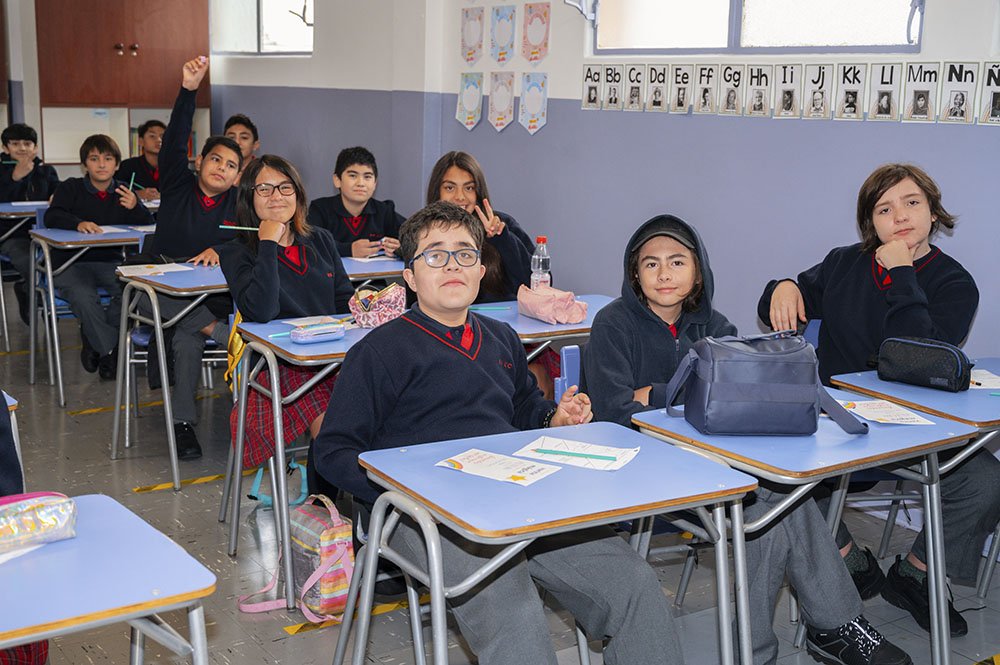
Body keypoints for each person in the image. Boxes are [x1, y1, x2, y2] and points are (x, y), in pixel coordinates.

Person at [313, 200, 682, 665]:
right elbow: (334, 451)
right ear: (409, 277)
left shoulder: (501, 337)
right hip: (423, 515)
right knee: (512, 608)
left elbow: (525, 407)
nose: (452, 265)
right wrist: (402, 486)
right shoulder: (379, 352)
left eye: (465, 253)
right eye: (435, 255)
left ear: (481, 268)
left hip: (515, 495)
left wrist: (555, 418)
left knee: (632, 583)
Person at [584, 215, 913, 665]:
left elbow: (741, 401)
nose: (664, 274)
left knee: (777, 498)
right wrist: (687, 393)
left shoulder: (716, 325)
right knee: (770, 505)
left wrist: (656, 394)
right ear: (634, 274)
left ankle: (784, 640)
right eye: (650, 264)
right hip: (644, 471)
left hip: (712, 461)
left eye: (677, 262)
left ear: (698, 271)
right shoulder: (612, 324)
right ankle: (828, 628)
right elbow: (613, 411)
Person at [759, 163, 998, 638]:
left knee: (985, 482)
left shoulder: (955, 283)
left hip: (918, 424)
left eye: (912, 203)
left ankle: (915, 574)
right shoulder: (845, 262)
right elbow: (788, 298)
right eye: (884, 209)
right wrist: (782, 286)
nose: (900, 217)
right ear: (872, 222)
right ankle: (850, 560)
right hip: (836, 420)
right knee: (782, 481)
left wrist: (904, 273)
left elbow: (918, 357)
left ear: (933, 212)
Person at [218, 154, 353, 489]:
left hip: (330, 357)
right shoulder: (236, 252)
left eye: (285, 187)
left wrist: (363, 305)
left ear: (298, 195)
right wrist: (267, 243)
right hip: (278, 366)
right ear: (249, 198)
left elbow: (343, 300)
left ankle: (359, 513)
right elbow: (259, 311)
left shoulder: (319, 238)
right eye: (264, 189)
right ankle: (328, 508)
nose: (276, 196)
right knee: (332, 423)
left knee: (380, 409)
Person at [143, 55, 243, 460]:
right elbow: (174, 139)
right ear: (200, 162)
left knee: (186, 340)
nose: (222, 168)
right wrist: (188, 89)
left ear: (238, 176)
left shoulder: (240, 205)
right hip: (160, 290)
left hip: (208, 300)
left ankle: (182, 424)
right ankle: (219, 334)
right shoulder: (177, 182)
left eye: (232, 165)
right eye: (216, 159)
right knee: (152, 286)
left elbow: (252, 244)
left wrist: (220, 249)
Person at [44, 134, 152, 379]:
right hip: (71, 263)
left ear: (116, 164)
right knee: (84, 297)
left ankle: (95, 340)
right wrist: (78, 222)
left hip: (109, 261)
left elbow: (148, 226)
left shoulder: (125, 190)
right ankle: (111, 353)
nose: (101, 164)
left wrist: (136, 206)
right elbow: (52, 216)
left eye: (108, 158)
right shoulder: (70, 187)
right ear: (85, 165)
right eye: (94, 159)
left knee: (128, 293)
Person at [0, 123, 60, 324]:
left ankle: (48, 297)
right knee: (29, 258)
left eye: (27, 143)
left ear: (35, 147)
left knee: (63, 257)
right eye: (15, 143)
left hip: (44, 233)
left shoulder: (46, 170)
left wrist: (55, 196)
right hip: (11, 235)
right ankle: (33, 292)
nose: (22, 148)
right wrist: (15, 176)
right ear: (5, 148)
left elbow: (58, 192)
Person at [306, 146, 404, 259]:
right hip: (332, 276)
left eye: (367, 177)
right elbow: (311, 243)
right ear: (337, 180)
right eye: (353, 176)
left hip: (374, 275)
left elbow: (415, 237)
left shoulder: (384, 211)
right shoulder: (320, 209)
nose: (360, 183)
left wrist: (399, 248)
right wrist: (348, 249)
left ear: (375, 183)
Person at [115, 119, 165, 201]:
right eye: (152, 136)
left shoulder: (173, 168)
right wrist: (138, 194)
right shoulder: (127, 166)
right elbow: (115, 191)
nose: (159, 140)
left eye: (163, 136)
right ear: (141, 141)